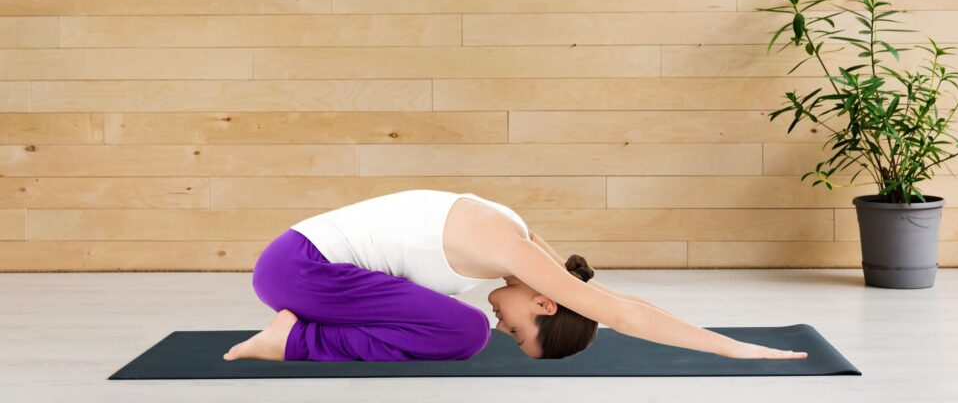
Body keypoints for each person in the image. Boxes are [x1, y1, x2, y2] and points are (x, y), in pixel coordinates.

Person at [223, 189, 808, 362]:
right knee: (464, 332)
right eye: (520, 333)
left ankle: (294, 334)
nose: (506, 324)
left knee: (458, 326)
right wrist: (733, 350)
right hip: (300, 270)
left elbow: (607, 298)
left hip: (301, 272)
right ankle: (293, 340)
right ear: (545, 305)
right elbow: (622, 315)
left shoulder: (525, 251)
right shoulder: (511, 247)